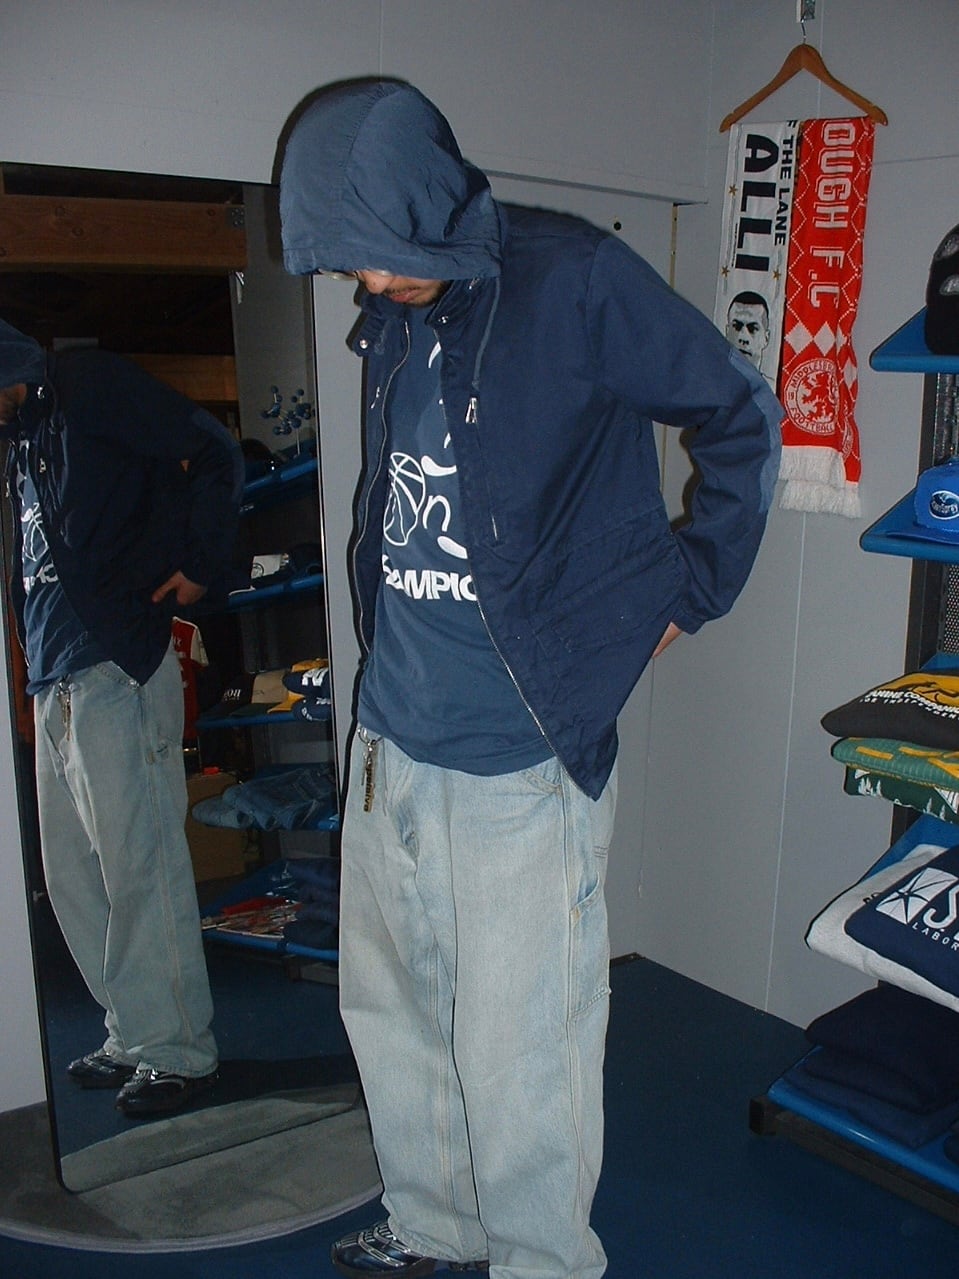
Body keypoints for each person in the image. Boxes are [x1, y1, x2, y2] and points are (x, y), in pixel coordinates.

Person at [279, 78, 782, 1279]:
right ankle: (435, 1222)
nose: (366, 282)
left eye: (376, 255)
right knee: (393, 1015)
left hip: (518, 750)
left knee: (521, 1049)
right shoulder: (396, 309)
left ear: (423, 205)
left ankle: (539, 1262)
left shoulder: (573, 279)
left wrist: (691, 591)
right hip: (390, 737)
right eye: (351, 263)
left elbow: (738, 413)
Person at [0, 321, 242, 1118]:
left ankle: (178, 1047)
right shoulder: (22, 440)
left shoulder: (89, 386)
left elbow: (212, 447)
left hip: (115, 662)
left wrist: (201, 562)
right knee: (72, 878)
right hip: (54, 677)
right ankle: (134, 1030)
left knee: (141, 866)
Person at [724, 290, 773, 382]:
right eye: (736, 327)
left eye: (753, 329)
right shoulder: (709, 384)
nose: (743, 338)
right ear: (727, 331)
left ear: (766, 338)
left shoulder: (772, 389)